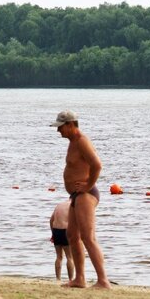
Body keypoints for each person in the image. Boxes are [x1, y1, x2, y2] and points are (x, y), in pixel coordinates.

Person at [53, 109, 110, 289]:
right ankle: (80, 279)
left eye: (61, 127)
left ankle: (103, 281)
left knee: (88, 237)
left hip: (86, 194)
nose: (58, 131)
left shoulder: (82, 141)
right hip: (76, 195)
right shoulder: (73, 142)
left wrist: (86, 185)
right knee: (72, 235)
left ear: (70, 125)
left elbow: (97, 165)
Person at [49, 199, 74, 284]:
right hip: (65, 231)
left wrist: (53, 233)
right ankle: (71, 279)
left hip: (56, 230)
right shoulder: (73, 205)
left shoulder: (59, 204)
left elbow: (51, 220)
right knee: (70, 257)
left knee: (59, 257)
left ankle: (58, 279)